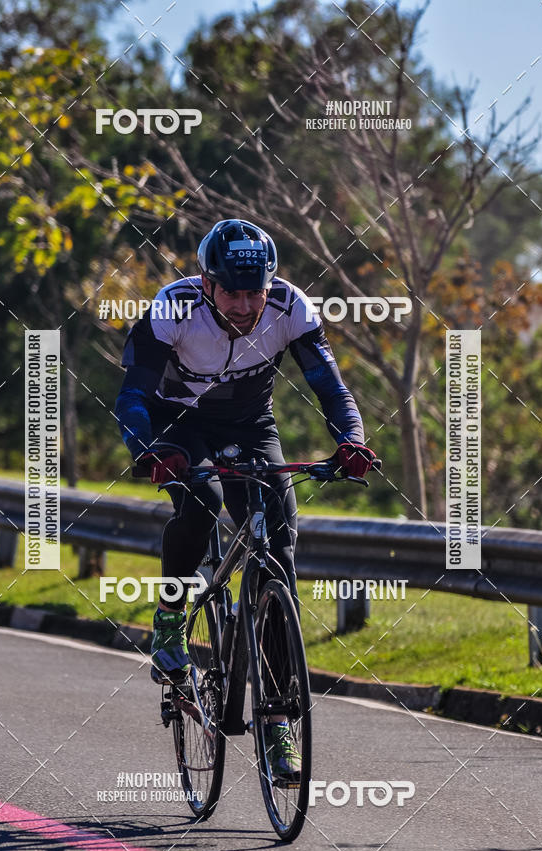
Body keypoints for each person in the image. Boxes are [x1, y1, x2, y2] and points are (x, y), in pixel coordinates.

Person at [115, 219, 376, 781]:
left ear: (269, 283)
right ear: (206, 283)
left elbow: (329, 386)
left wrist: (351, 439)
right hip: (177, 425)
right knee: (202, 501)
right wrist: (148, 449)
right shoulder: (172, 309)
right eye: (230, 291)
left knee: (278, 557)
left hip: (250, 426)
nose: (243, 304)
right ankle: (169, 617)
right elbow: (132, 393)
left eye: (253, 290)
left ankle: (278, 719)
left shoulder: (291, 307)